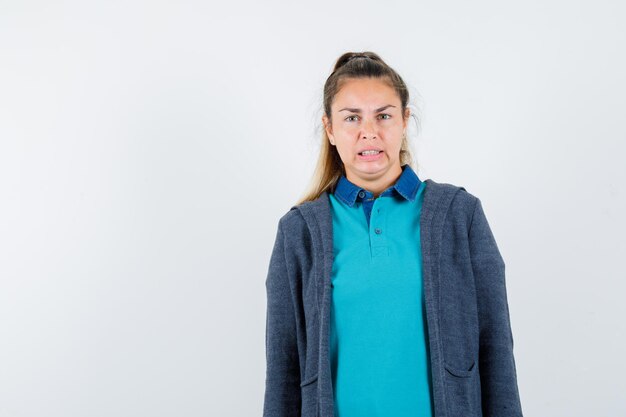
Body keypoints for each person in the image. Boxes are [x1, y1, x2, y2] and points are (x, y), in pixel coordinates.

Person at [262, 51, 523, 417]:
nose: (369, 131)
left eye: (383, 115)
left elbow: (495, 347)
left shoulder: (460, 215)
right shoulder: (299, 232)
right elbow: (282, 367)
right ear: (330, 129)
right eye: (352, 118)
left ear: (404, 121)